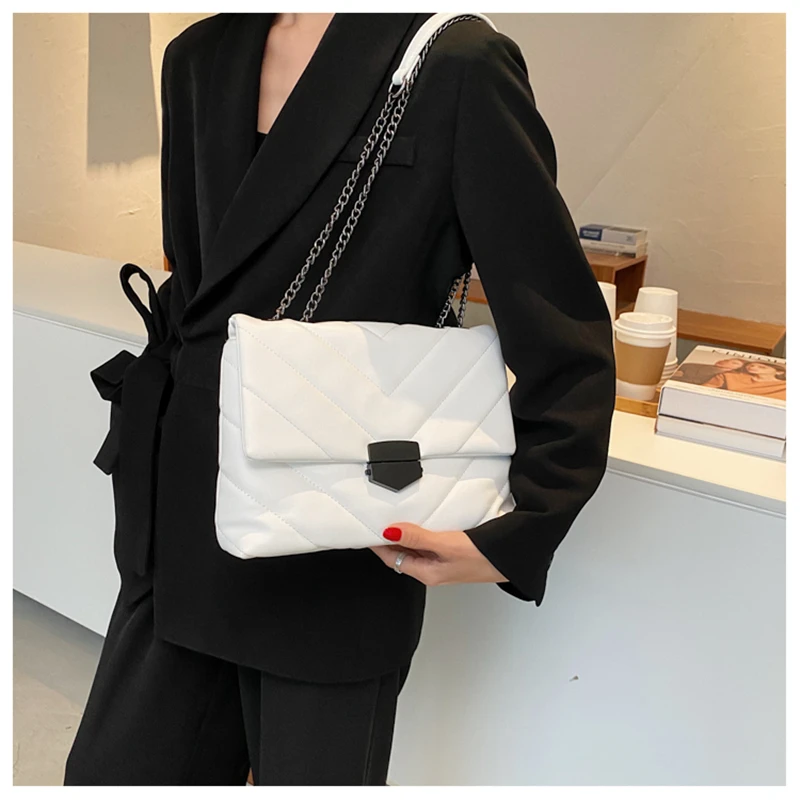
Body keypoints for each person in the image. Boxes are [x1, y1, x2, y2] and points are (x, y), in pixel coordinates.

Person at [63, 12, 616, 785]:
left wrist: (520, 525)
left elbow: (558, 322)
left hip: (339, 539)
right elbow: (193, 284)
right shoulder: (197, 57)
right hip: (184, 528)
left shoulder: (454, 62)